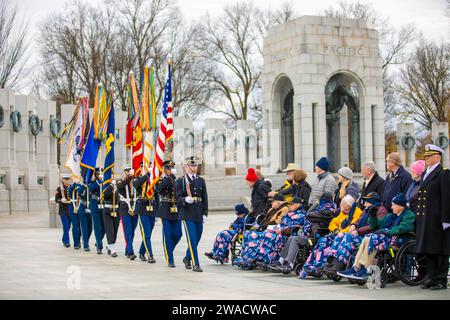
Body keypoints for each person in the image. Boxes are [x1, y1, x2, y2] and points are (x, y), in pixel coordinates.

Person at [338, 193, 415, 280]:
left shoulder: (409, 214)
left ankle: (367, 268)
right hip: (385, 238)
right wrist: (373, 217)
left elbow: (405, 227)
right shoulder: (390, 216)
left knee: (372, 238)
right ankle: (356, 267)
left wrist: (388, 231)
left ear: (400, 205)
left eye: (393, 205)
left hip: (397, 239)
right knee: (367, 238)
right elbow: (377, 225)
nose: (392, 207)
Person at [269, 193, 340, 274]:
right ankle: (281, 261)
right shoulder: (321, 209)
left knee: (295, 239)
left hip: (316, 237)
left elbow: (309, 215)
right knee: (292, 237)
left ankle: (290, 264)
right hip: (311, 234)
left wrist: (312, 210)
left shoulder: (328, 210)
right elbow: (310, 215)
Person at [323, 192, 388, 274]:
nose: (364, 204)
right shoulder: (367, 210)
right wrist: (353, 225)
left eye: (367, 202)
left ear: (372, 201)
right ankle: (331, 261)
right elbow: (358, 220)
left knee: (347, 237)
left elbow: (374, 226)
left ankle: (339, 264)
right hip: (359, 234)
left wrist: (358, 231)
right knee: (341, 235)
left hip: (367, 237)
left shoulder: (381, 210)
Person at [415, 144, 450, 290]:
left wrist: (446, 219)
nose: (426, 159)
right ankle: (431, 276)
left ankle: (441, 279)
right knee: (428, 248)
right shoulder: (425, 173)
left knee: (440, 249)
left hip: (437, 218)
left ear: (437, 157)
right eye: (426, 156)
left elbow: (447, 197)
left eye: (429, 156)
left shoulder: (443, 174)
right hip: (426, 217)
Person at [233, 193, 290, 269]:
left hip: (274, 229)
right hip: (266, 228)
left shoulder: (284, 209)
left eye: (273, 201)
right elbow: (265, 220)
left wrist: (263, 227)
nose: (271, 203)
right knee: (247, 233)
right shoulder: (272, 209)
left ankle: (255, 259)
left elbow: (277, 222)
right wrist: (260, 225)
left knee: (255, 235)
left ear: (278, 202)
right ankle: (246, 257)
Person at [175, 156, 208, 272]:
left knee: (197, 238)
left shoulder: (201, 180)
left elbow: (205, 198)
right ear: (186, 167)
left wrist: (205, 213)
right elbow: (177, 198)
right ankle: (196, 263)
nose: (194, 167)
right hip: (187, 213)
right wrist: (184, 200)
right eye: (192, 165)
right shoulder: (181, 181)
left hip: (198, 213)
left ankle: (187, 257)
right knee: (192, 239)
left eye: (196, 165)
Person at [155, 160, 182, 268]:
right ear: (165, 170)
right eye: (169, 168)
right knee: (168, 235)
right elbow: (159, 189)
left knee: (178, 234)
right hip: (165, 209)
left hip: (176, 210)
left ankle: (169, 249)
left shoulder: (177, 179)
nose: (171, 170)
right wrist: (168, 178)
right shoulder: (164, 179)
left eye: (172, 168)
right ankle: (170, 258)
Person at [133, 162, 156, 264]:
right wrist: (146, 175)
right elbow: (136, 185)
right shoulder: (138, 178)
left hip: (152, 207)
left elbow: (157, 193)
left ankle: (142, 251)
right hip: (142, 207)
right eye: (143, 167)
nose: (146, 168)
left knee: (149, 233)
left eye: (148, 166)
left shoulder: (153, 178)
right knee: (146, 233)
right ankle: (150, 255)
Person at [117, 164, 138, 260]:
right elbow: (121, 186)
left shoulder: (135, 181)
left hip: (135, 208)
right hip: (125, 208)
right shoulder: (120, 181)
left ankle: (127, 249)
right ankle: (130, 251)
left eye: (130, 170)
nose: (129, 171)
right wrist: (129, 177)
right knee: (128, 231)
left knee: (132, 231)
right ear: (124, 172)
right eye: (127, 170)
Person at [72, 179, 93, 251]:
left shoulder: (92, 184)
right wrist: (84, 185)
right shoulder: (80, 185)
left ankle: (85, 239)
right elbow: (79, 191)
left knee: (90, 227)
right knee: (84, 226)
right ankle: (86, 245)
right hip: (82, 206)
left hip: (90, 206)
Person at [88, 168, 105, 254]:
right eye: (98, 174)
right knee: (97, 226)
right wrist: (98, 181)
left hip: (104, 206)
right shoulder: (93, 182)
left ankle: (99, 240)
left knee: (105, 227)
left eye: (100, 174)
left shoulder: (105, 182)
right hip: (95, 205)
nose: (99, 175)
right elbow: (90, 187)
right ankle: (99, 245)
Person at [102, 180, 120, 257]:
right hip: (108, 211)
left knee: (115, 230)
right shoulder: (107, 187)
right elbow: (105, 195)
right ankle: (113, 249)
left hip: (116, 211)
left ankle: (110, 246)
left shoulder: (118, 188)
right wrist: (111, 185)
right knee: (110, 230)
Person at [55, 174, 72, 248]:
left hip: (70, 209)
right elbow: (56, 200)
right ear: (62, 180)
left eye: (67, 179)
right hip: (63, 210)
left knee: (68, 227)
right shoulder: (59, 189)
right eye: (65, 179)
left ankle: (63, 239)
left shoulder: (71, 187)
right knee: (66, 226)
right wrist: (61, 200)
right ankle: (67, 242)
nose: (66, 180)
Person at [67, 178, 81, 250]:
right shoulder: (71, 187)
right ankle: (76, 243)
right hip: (72, 206)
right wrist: (74, 184)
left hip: (80, 206)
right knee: (75, 226)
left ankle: (79, 240)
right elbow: (69, 192)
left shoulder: (81, 186)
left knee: (80, 226)